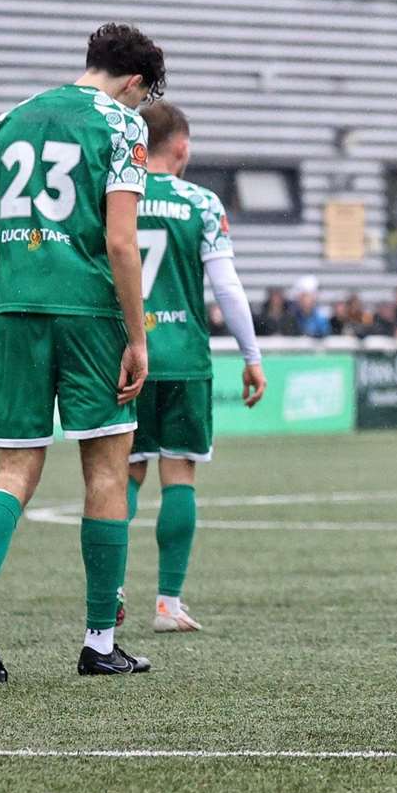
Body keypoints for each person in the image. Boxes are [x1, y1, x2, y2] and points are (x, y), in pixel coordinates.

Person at [0, 22, 162, 680]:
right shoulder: (122, 126)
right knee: (104, 470)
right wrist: (135, 335)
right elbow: (123, 243)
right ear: (133, 82)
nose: (141, 108)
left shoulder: (12, 118)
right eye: (145, 96)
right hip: (90, 312)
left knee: (14, 468)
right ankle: (100, 642)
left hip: (17, 309)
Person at [123, 101, 266, 634]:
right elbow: (226, 287)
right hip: (183, 358)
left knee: (120, 475)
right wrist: (251, 357)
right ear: (180, 147)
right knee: (178, 472)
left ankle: (109, 597)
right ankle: (167, 605)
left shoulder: (116, 197)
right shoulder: (202, 202)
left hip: (122, 355)